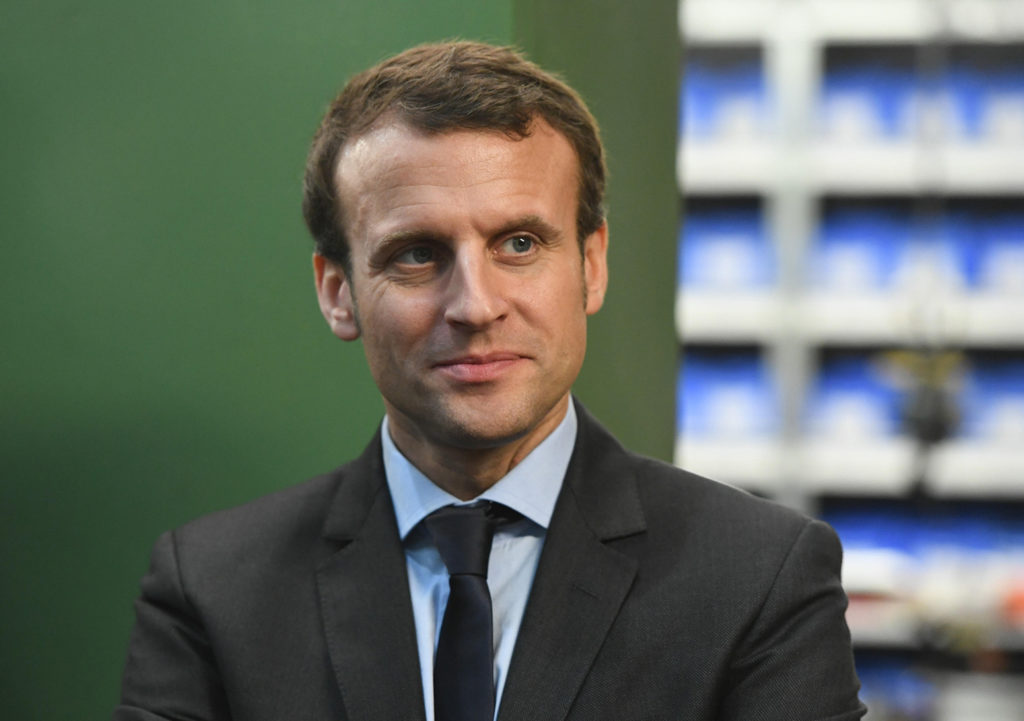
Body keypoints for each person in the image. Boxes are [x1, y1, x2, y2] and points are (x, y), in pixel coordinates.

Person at [115, 41, 865, 721]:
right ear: (338, 291)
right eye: (415, 254)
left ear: (591, 264)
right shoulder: (211, 591)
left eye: (519, 242)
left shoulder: (760, 579)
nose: (474, 305)